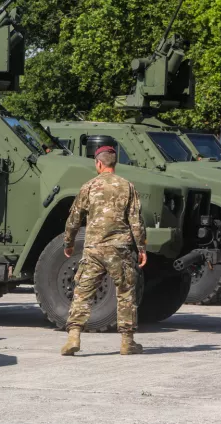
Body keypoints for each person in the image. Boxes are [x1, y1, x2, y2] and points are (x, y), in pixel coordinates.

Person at [60, 145, 148, 356]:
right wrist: (142, 247)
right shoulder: (128, 187)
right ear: (114, 163)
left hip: (94, 249)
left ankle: (74, 336)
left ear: (98, 163)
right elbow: (136, 221)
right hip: (120, 249)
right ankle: (127, 342)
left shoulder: (89, 186)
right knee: (126, 293)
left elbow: (74, 218)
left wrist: (68, 242)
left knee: (82, 292)